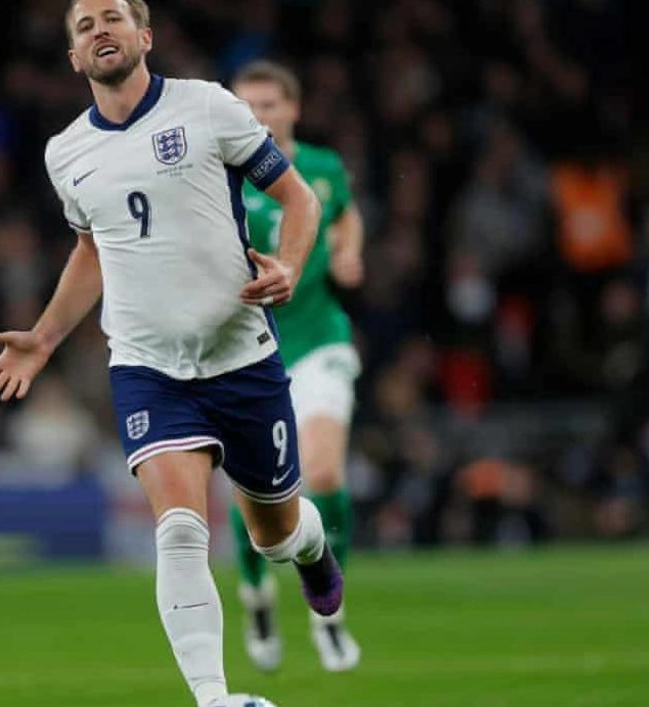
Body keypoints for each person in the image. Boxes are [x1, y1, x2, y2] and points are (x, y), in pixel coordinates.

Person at [0, 1, 341, 705]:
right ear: (74, 58)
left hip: (241, 357)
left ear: (144, 36)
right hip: (148, 367)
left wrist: (290, 266)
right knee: (178, 528)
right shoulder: (66, 153)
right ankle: (213, 697)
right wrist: (45, 336)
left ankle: (311, 549)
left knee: (274, 531)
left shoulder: (209, 108)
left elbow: (299, 201)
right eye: (83, 27)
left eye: (111, 17)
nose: (98, 30)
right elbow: (91, 248)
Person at [228, 60, 365, 673]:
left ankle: (327, 613)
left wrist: (349, 252)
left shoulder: (323, 168)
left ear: (293, 109)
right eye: (246, 105)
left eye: (269, 105)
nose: (258, 116)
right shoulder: (218, 173)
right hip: (247, 348)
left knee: (326, 473)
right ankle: (256, 595)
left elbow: (344, 212)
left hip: (318, 338)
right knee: (251, 495)